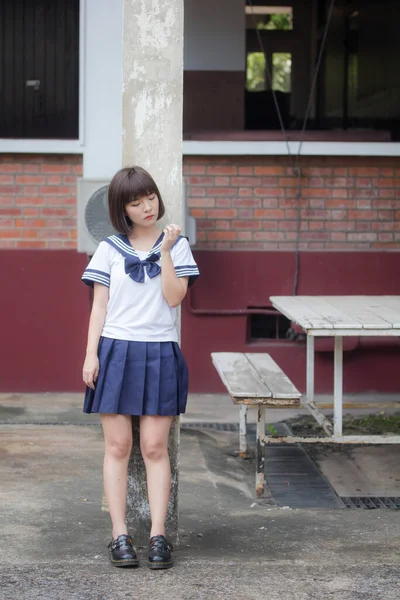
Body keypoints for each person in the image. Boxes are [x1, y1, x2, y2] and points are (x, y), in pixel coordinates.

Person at [81, 166, 199, 570]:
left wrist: (165, 250)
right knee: (118, 447)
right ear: (123, 208)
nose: (146, 206)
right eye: (136, 201)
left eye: (150, 197)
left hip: (159, 352)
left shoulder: (177, 245)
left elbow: (174, 298)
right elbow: (99, 306)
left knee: (153, 447)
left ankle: (158, 535)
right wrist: (90, 355)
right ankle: (118, 535)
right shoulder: (109, 249)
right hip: (115, 351)